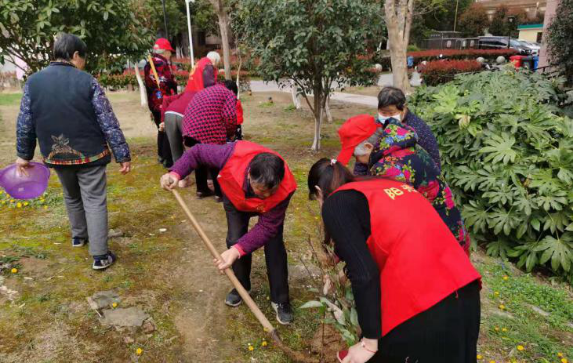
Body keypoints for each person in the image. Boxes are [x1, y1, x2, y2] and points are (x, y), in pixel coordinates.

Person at [308, 158, 481, 363]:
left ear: (319, 191)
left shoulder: (335, 202)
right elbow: (386, 238)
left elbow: (364, 273)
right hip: (465, 290)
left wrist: (369, 342)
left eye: (316, 200)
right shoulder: (388, 185)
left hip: (424, 306)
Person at [15, 33, 131, 270]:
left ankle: (79, 236)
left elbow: (25, 122)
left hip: (55, 155)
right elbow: (107, 120)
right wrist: (122, 154)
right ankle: (99, 255)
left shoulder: (33, 82)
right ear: (75, 55)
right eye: (83, 58)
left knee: (71, 195)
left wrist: (24, 155)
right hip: (90, 154)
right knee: (94, 200)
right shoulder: (87, 81)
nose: (84, 64)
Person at [160, 140, 296, 324]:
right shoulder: (231, 155)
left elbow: (267, 228)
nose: (264, 196)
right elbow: (197, 152)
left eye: (270, 192)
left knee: (274, 246)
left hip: (270, 212)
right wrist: (176, 172)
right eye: (260, 190)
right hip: (235, 199)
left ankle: (280, 299)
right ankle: (241, 286)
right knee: (234, 239)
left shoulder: (284, 188)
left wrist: (237, 250)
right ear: (249, 175)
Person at [337, 114, 470, 253]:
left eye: (355, 156)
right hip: (451, 225)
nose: (357, 161)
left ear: (368, 146)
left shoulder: (388, 167)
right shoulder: (398, 143)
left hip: (440, 239)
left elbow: (392, 220)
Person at [354, 86, 441, 175]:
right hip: (376, 179)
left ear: (403, 108)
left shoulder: (419, 129)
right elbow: (362, 154)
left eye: (391, 113)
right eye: (383, 113)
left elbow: (433, 163)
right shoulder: (375, 126)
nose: (387, 117)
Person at [181, 80, 239, 200]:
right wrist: (231, 133)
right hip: (207, 128)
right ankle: (219, 193)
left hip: (189, 126)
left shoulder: (206, 91)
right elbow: (230, 116)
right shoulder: (228, 93)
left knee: (199, 156)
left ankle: (202, 190)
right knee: (215, 157)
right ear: (233, 91)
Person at [144, 38, 178, 168]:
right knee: (168, 130)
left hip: (153, 102)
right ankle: (168, 160)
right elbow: (165, 82)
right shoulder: (161, 64)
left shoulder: (149, 63)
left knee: (161, 128)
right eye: (170, 52)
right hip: (163, 102)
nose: (170, 55)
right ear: (165, 52)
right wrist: (173, 84)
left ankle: (161, 155)